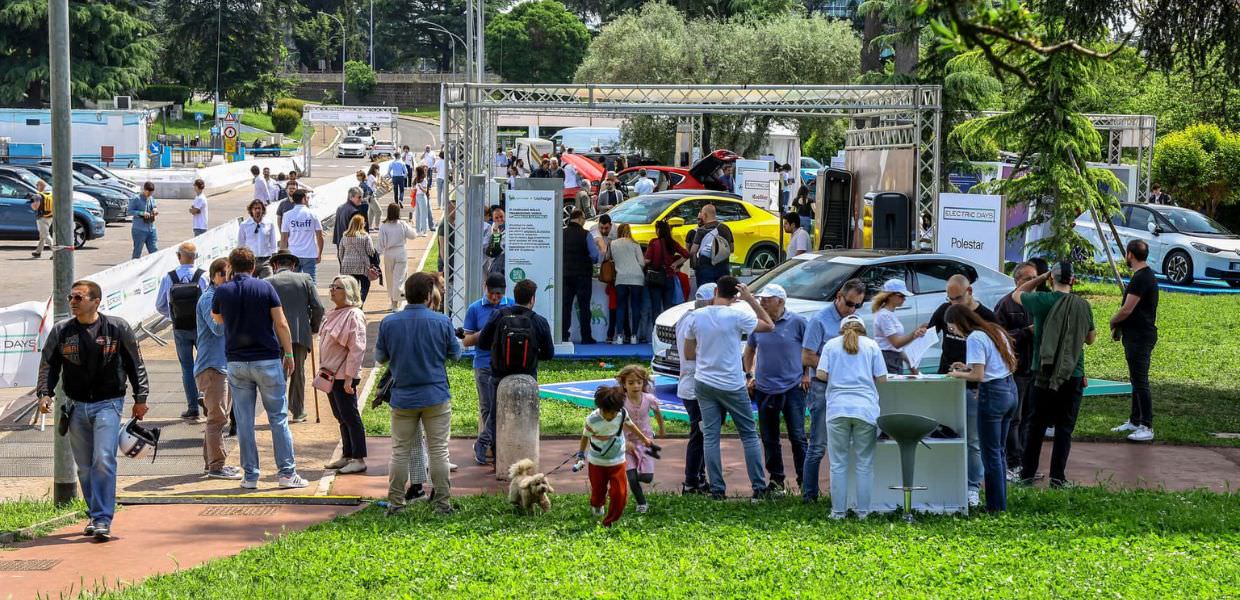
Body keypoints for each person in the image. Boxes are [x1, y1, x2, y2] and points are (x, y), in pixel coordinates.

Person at [37, 280, 150, 541]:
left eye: (79, 297)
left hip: (108, 403)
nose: (73, 302)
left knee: (103, 459)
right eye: (71, 298)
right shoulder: (62, 331)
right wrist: (45, 393)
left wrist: (140, 397)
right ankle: (94, 512)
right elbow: (49, 365)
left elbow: (136, 364)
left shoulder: (117, 327)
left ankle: (102, 519)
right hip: (75, 406)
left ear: (96, 301)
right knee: (85, 467)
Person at [211, 247, 307, 490]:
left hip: (236, 361)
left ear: (231, 267)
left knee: (244, 421)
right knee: (278, 417)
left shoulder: (222, 291)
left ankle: (250, 475)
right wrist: (288, 353)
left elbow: (218, 318)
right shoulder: (265, 287)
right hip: (266, 358)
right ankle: (286, 473)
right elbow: (281, 323)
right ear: (253, 267)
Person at [378, 273, 461, 515]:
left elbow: (380, 357)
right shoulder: (442, 321)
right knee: (439, 451)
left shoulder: (389, 322)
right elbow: (455, 354)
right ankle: (442, 504)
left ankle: (395, 504)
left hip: (402, 396)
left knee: (399, 451)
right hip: (436, 394)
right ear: (428, 296)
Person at [684, 276, 774, 500]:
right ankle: (759, 488)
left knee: (711, 436)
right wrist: (751, 299)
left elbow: (688, 353)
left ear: (715, 291)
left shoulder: (696, 316)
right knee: (749, 435)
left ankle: (717, 490)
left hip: (704, 381)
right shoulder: (738, 315)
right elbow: (768, 325)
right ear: (736, 296)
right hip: (732, 383)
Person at [1014, 262, 1096, 487]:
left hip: (1043, 373)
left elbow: (1017, 294)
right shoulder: (1083, 305)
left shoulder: (1041, 301)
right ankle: (1058, 478)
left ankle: (1028, 475)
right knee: (1064, 429)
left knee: (1036, 426)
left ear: (1052, 279)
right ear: (1074, 281)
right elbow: (1090, 339)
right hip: (1073, 373)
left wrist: (1041, 278)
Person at [927, 273, 999, 507]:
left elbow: (995, 355)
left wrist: (977, 381)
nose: (952, 305)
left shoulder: (986, 318)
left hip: (972, 386)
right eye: (949, 299)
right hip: (945, 380)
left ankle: (972, 487)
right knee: (941, 432)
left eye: (956, 299)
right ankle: (941, 481)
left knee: (972, 439)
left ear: (969, 292)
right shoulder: (944, 310)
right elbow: (928, 334)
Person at [945, 303, 1019, 512]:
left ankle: (995, 507)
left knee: (990, 454)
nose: (955, 332)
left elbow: (978, 376)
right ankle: (1000, 502)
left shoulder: (974, 338)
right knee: (1000, 451)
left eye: (952, 328)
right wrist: (966, 367)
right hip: (1010, 389)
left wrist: (956, 374)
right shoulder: (993, 330)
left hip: (992, 394)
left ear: (959, 323)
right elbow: (998, 364)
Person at [800, 278, 866, 503]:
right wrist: (837, 366)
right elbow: (807, 356)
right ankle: (809, 496)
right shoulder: (819, 320)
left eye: (858, 305)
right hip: (823, 388)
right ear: (838, 296)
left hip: (848, 389)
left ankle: (848, 496)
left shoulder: (855, 321)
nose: (853, 309)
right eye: (849, 303)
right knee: (818, 446)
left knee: (848, 446)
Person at [816, 314, 886, 519]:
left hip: (837, 409)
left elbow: (820, 374)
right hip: (865, 410)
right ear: (863, 329)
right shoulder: (872, 345)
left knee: (838, 463)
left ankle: (838, 511)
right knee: (865, 463)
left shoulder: (831, 345)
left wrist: (838, 377)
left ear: (841, 329)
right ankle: (863, 511)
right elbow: (882, 379)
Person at [742, 284, 809, 493]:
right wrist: (749, 375)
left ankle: (805, 480)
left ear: (780, 301)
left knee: (797, 436)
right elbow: (750, 350)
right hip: (764, 388)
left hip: (793, 387)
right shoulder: (759, 324)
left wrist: (807, 374)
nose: (762, 302)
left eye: (767, 299)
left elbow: (810, 350)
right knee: (769, 437)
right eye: (761, 299)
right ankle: (776, 480)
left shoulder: (798, 322)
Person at [577, 385, 655, 527]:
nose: (610, 416)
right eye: (607, 412)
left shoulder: (622, 414)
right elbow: (584, 437)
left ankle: (609, 521)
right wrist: (581, 454)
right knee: (598, 492)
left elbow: (631, 426)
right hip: (597, 462)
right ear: (600, 407)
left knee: (620, 494)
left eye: (614, 413)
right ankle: (597, 504)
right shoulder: (592, 420)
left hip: (618, 461)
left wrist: (644, 439)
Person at [1109, 239, 1160, 442]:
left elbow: (1127, 308)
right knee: (1136, 379)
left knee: (1140, 381)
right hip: (1136, 334)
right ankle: (1135, 420)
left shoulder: (1141, 278)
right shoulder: (1144, 275)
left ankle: (1146, 426)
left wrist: (1113, 321)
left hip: (1140, 336)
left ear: (1129, 254)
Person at [266, 249, 324, 423]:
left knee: (277, 374)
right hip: (299, 333)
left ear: (275, 265)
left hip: (274, 335)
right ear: (293, 265)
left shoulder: (267, 282)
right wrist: (313, 327)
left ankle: (278, 410)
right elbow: (318, 307)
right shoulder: (305, 278)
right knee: (298, 373)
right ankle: (298, 411)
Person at [462, 273, 513, 466]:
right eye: (492, 293)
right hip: (483, 363)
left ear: (505, 292)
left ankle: (487, 443)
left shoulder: (511, 305)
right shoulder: (475, 308)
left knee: (502, 407)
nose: (495, 298)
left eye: (499, 294)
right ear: (485, 288)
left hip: (507, 363)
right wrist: (487, 332)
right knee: (487, 407)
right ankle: (491, 444)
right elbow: (466, 341)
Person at [195, 257, 240, 480]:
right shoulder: (209, 299)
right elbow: (217, 329)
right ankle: (217, 466)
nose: (226, 278)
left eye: (229, 274)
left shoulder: (221, 297)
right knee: (218, 418)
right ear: (213, 276)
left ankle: (211, 464)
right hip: (212, 366)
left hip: (223, 365)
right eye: (222, 274)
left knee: (219, 417)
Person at [320, 276, 369, 474]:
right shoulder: (334, 313)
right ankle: (347, 454)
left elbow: (357, 349)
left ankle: (358, 458)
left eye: (337, 287)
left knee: (350, 416)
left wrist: (349, 377)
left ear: (348, 291)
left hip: (343, 376)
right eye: (331, 286)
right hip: (331, 375)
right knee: (340, 416)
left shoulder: (354, 315)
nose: (332, 290)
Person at [155, 242, 209, 421]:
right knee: (206, 365)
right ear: (196, 257)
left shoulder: (169, 277)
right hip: (200, 327)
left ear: (179, 256)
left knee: (187, 368)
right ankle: (207, 400)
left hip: (180, 327)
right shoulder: (203, 276)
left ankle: (192, 408)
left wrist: (173, 315)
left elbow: (160, 305)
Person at [994, 262, 1037, 479]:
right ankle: (1014, 462)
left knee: (1031, 417)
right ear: (1016, 281)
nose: (1032, 283)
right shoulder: (1005, 305)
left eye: (1035, 278)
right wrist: (1026, 332)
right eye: (1027, 279)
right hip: (1017, 369)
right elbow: (999, 338)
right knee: (1015, 418)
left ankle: (1026, 462)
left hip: (1035, 369)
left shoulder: (1038, 303)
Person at [677, 283, 715, 494]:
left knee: (700, 433)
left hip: (689, 384)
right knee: (699, 434)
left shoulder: (686, 317)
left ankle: (697, 478)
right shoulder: (699, 321)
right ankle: (692, 481)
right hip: (695, 386)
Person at [479, 279, 556, 381]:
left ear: (515, 297)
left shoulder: (498, 315)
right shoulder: (540, 321)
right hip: (528, 376)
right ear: (532, 299)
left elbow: (482, 343)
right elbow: (548, 354)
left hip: (500, 376)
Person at [617, 365, 664, 514]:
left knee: (647, 477)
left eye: (639, 382)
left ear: (643, 383)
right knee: (631, 477)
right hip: (627, 443)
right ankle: (641, 502)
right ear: (624, 385)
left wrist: (661, 428)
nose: (635, 386)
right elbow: (616, 422)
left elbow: (657, 413)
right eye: (631, 383)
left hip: (646, 442)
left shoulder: (649, 399)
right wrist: (623, 441)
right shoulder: (621, 401)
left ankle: (631, 478)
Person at [871, 279, 928, 374]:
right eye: (901, 296)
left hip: (893, 358)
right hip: (887, 359)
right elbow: (896, 343)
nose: (904, 299)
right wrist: (915, 333)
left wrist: (911, 365)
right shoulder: (884, 315)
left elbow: (896, 347)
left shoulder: (889, 314)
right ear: (890, 296)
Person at [562, 209, 601, 345]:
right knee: (584, 306)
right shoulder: (586, 234)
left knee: (565, 306)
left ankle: (563, 336)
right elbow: (595, 255)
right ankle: (586, 337)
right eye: (584, 219)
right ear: (579, 218)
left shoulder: (562, 233)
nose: (584, 221)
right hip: (583, 275)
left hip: (565, 275)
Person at [644, 220, 690, 329]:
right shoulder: (672, 243)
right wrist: (675, 264)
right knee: (668, 308)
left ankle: (656, 332)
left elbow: (647, 260)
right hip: (669, 277)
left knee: (656, 307)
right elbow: (687, 254)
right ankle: (668, 331)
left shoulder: (654, 242)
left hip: (655, 277)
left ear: (659, 230)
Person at [610, 223, 646, 345]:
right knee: (635, 306)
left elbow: (609, 259)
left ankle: (619, 336)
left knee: (621, 307)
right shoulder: (635, 244)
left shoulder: (613, 244)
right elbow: (642, 262)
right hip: (637, 278)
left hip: (621, 277)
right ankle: (634, 336)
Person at [378, 203, 416, 310]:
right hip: (400, 252)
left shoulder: (384, 226)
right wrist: (411, 225)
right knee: (399, 279)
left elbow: (380, 245)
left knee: (390, 279)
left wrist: (376, 255)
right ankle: (396, 302)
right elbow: (413, 235)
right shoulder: (402, 224)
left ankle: (393, 302)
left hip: (389, 253)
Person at [280, 190, 324, 282]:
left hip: (293, 255)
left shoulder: (287, 215)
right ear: (304, 199)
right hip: (309, 254)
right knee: (311, 281)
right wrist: (319, 253)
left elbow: (284, 238)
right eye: (307, 198)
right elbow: (319, 236)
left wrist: (282, 256)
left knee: (293, 282)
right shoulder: (312, 214)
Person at [687, 204, 734, 287]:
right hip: (723, 266)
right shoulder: (725, 228)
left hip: (705, 267)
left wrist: (695, 265)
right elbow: (731, 248)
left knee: (707, 294)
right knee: (722, 291)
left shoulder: (701, 230)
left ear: (705, 215)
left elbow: (693, 251)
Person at [590, 215, 620, 342]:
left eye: (606, 228)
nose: (603, 231)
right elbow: (598, 246)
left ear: (611, 225)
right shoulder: (593, 228)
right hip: (598, 264)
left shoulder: (617, 230)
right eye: (601, 228)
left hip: (612, 267)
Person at [338, 214, 377, 302]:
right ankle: (360, 303)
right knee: (365, 285)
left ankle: (352, 303)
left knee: (351, 287)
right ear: (361, 225)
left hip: (347, 266)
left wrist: (343, 262)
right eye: (364, 223)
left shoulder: (345, 236)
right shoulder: (365, 236)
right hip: (362, 266)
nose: (365, 224)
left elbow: (340, 252)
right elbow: (371, 251)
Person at [238, 200, 278, 279]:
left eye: (259, 208)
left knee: (267, 283)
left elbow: (273, 243)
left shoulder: (269, 223)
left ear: (263, 210)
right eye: (255, 208)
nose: (257, 211)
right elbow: (241, 244)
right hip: (250, 261)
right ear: (251, 210)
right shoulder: (244, 225)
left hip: (266, 261)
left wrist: (274, 260)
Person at [128, 181, 159, 259]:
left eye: (151, 193)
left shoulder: (151, 198)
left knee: (154, 250)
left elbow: (154, 206)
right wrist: (141, 213)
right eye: (148, 192)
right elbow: (129, 211)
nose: (149, 195)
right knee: (137, 251)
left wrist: (155, 210)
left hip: (151, 228)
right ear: (144, 189)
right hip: (139, 229)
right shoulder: (136, 199)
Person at [29, 181, 52, 258]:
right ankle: (38, 252)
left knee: (46, 235)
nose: (36, 186)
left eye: (37, 185)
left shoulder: (38, 196)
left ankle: (56, 252)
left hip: (42, 218)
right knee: (42, 235)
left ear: (40, 186)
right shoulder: (49, 194)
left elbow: (35, 207)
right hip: (50, 217)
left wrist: (31, 203)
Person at [412, 165, 433, 235]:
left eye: (416, 172)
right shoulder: (416, 179)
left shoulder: (424, 180)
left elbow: (425, 191)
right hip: (417, 196)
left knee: (423, 215)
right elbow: (413, 188)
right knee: (417, 214)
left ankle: (424, 231)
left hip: (422, 197)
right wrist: (414, 188)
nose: (415, 173)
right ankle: (418, 230)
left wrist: (420, 187)